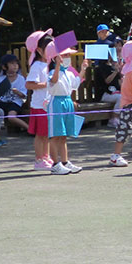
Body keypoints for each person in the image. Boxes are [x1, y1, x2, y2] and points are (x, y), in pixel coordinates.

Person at [45, 40, 89, 175]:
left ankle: (65, 161)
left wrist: (83, 69)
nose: (67, 58)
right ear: (56, 58)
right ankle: (55, 164)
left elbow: (75, 84)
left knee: (64, 135)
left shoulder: (68, 73)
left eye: (68, 56)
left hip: (67, 102)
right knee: (55, 135)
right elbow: (53, 81)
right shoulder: (53, 71)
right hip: (56, 103)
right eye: (64, 56)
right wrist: (57, 65)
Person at [24, 28, 54, 169]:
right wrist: (46, 84)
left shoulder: (48, 65)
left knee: (46, 133)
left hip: (47, 104)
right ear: (40, 51)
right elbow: (29, 84)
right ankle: (38, 160)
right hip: (39, 105)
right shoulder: (37, 65)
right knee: (40, 134)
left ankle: (45, 157)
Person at [0, 53, 29, 133]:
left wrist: (17, 92)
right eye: (12, 63)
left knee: (11, 117)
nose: (15, 66)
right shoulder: (0, 78)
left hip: (15, 102)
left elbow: (23, 95)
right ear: (4, 67)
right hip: (2, 101)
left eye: (16, 63)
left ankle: (29, 129)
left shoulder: (21, 79)